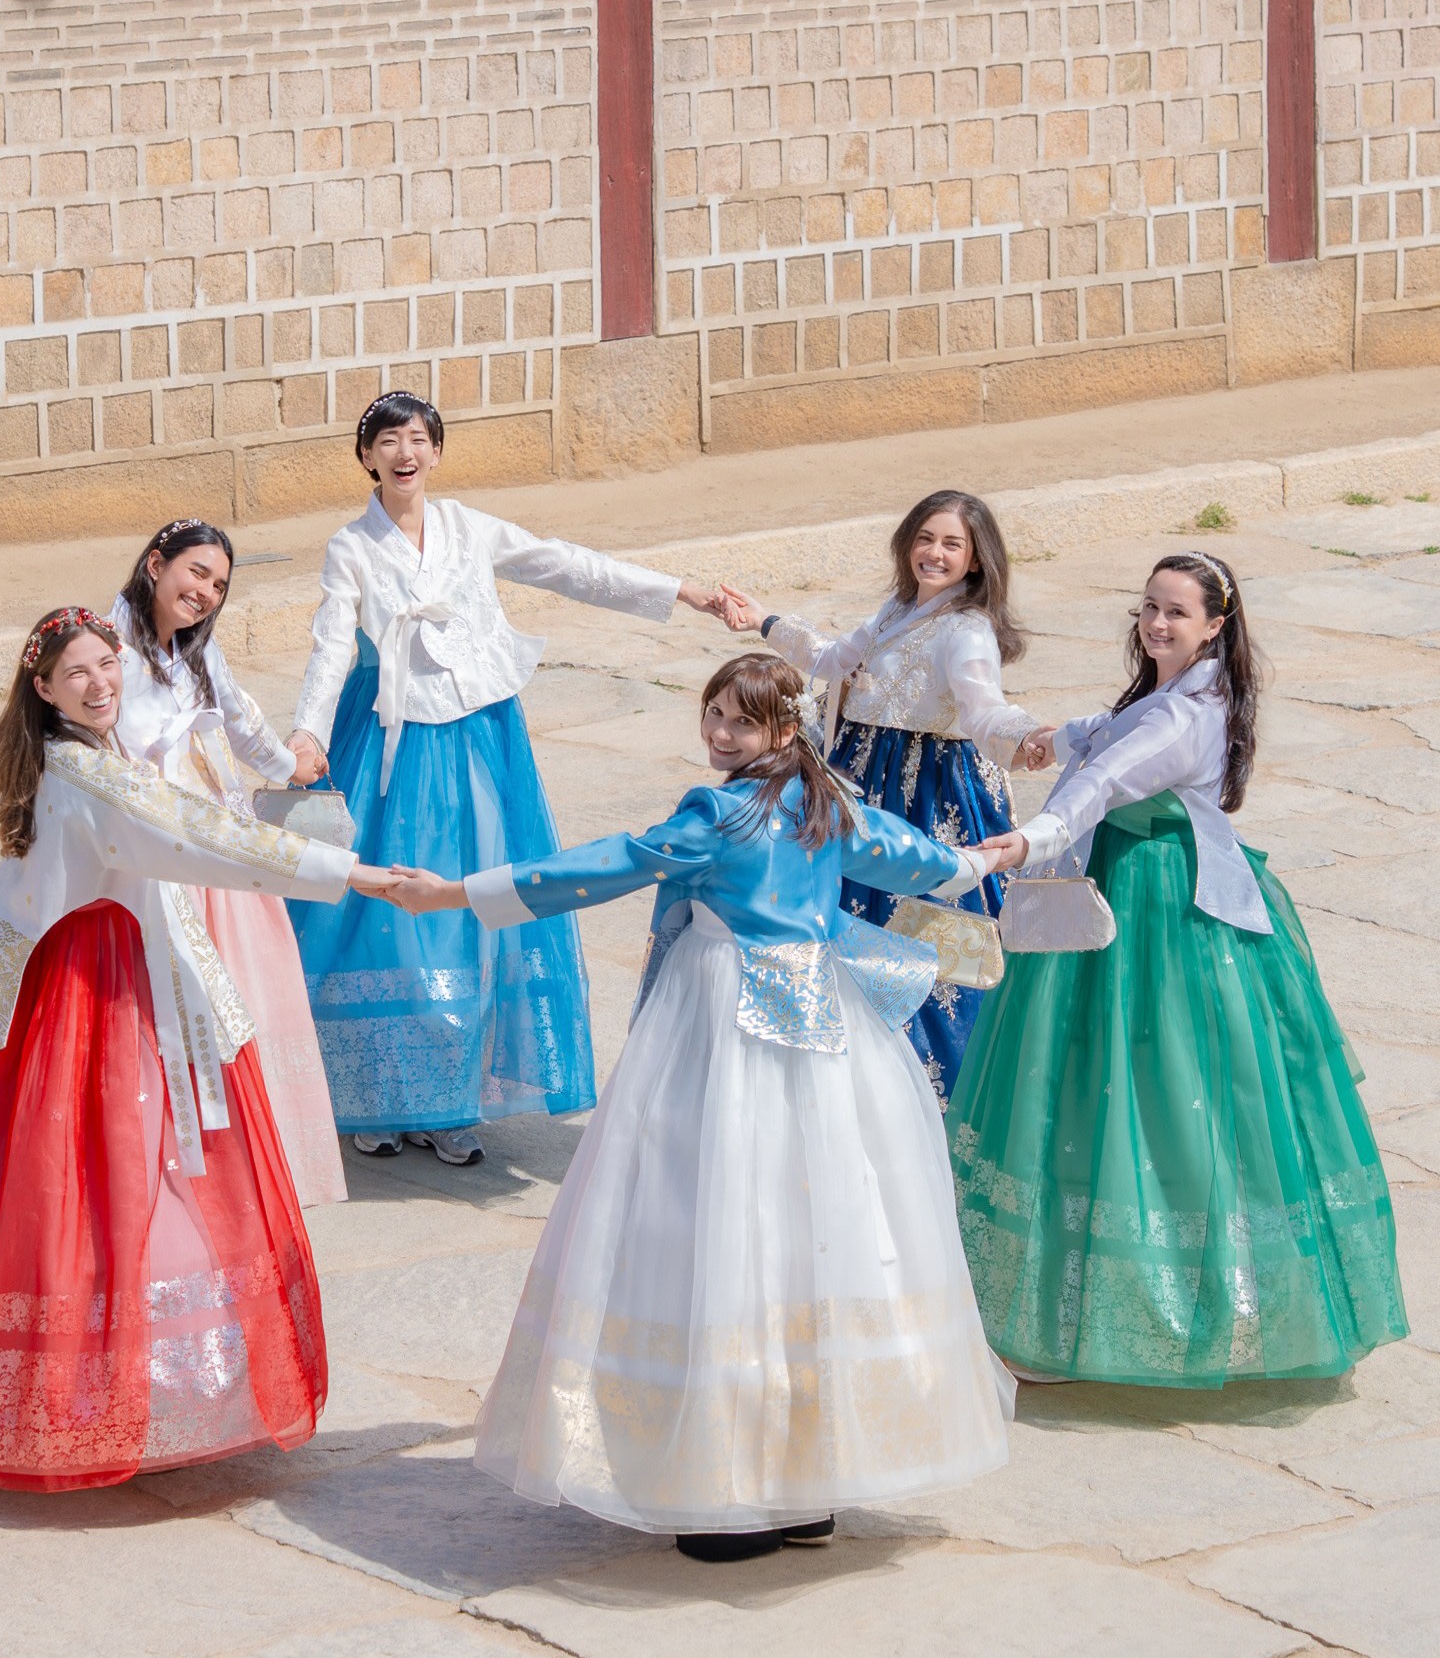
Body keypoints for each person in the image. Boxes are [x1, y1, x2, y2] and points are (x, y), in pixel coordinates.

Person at [387, 652, 1024, 1561]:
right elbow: (917, 860)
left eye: (741, 721)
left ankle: (724, 1483)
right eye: (714, 713)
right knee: (817, 1224)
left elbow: (608, 865)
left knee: (715, 1222)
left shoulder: (717, 810)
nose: (721, 733)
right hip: (819, 1021)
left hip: (720, 1019)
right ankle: (812, 1478)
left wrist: (459, 891)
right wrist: (982, 857)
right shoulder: (825, 800)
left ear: (783, 730)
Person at [0, 609, 403, 1492]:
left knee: (94, 1186)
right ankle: (123, 1395)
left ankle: (105, 1390)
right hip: (103, 993)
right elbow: (217, 838)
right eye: (75, 673)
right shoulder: (87, 774)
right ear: (42, 691)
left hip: (104, 970)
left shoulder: (79, 762)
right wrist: (357, 875)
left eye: (105, 665)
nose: (98, 682)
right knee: (119, 1180)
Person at [952, 552, 1407, 1387]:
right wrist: (1060, 734)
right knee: (1148, 1082)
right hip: (1154, 878)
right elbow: (1108, 733)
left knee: (1138, 1081)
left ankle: (1109, 1314)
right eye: (1148, 607)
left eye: (1176, 613)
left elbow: (1102, 782)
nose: (1156, 624)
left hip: (1155, 901)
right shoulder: (1188, 693)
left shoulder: (1182, 720)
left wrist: (1026, 841)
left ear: (1214, 625)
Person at [285, 390, 731, 1167]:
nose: (404, 453)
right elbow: (330, 645)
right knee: (386, 906)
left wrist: (677, 590)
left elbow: (566, 566)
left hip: (479, 735)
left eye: (419, 438)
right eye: (387, 441)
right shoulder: (350, 546)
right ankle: (385, 1092)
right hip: (392, 733)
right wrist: (306, 733)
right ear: (365, 457)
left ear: (436, 451)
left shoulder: (470, 527)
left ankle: (455, 1096)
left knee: (474, 900)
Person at [716, 491, 1048, 1098]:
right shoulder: (899, 607)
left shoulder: (966, 629)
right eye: (925, 538)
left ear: (977, 559)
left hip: (925, 786)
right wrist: (762, 622)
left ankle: (927, 1085)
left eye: (952, 544)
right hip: (862, 777)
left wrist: (1027, 736)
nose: (935, 553)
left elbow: (983, 709)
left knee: (922, 933)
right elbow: (833, 658)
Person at [111, 519, 347, 1207]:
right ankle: (167, 1162)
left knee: (239, 990)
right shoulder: (107, 645)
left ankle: (240, 1162)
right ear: (156, 563)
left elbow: (240, 719)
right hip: (159, 840)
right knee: (168, 999)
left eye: (218, 584)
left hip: (218, 834)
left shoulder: (193, 651)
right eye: (195, 573)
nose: (206, 592)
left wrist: (290, 765)